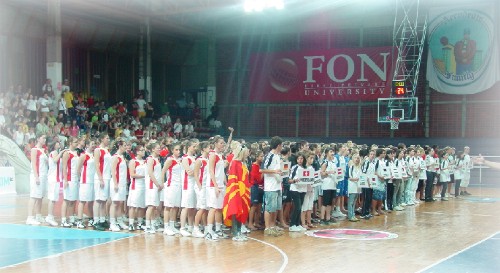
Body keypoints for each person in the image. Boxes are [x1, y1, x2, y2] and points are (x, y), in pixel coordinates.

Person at [223, 141, 251, 241]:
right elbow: (233, 178)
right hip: (236, 190)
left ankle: (239, 231)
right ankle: (235, 233)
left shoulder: (242, 163)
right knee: (236, 211)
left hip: (244, 191)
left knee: (242, 211)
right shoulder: (234, 163)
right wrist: (236, 190)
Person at [261, 136, 284, 237]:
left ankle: (273, 226)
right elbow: (262, 170)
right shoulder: (269, 156)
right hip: (270, 186)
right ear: (278, 145)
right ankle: (267, 228)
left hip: (277, 185)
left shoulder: (277, 156)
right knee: (269, 207)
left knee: (275, 208)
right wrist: (274, 171)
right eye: (281, 145)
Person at [26, 135, 48, 225]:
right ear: (38, 139)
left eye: (45, 138)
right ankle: (30, 217)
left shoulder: (43, 151)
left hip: (43, 176)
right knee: (34, 196)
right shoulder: (34, 150)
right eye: (43, 138)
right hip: (37, 176)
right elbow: (34, 164)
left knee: (40, 197)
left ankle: (38, 215)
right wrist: (36, 176)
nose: (44, 140)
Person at [60, 137, 80, 227]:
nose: (77, 144)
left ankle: (71, 218)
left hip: (75, 179)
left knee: (73, 200)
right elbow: (64, 167)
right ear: (71, 142)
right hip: (69, 179)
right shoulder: (66, 153)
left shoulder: (76, 153)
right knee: (66, 200)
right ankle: (63, 220)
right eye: (75, 142)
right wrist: (65, 180)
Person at [127, 144, 146, 231]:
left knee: (142, 205)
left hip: (144, 185)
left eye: (143, 150)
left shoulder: (145, 161)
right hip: (136, 185)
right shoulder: (133, 161)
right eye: (141, 150)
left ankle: (140, 222)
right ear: (137, 152)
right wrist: (144, 176)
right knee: (133, 205)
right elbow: (132, 174)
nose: (143, 151)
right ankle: (131, 223)